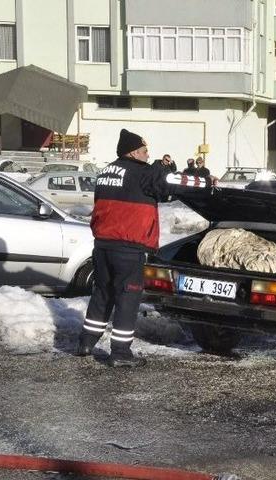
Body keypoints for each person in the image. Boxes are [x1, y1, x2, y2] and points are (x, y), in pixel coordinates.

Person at [76, 129, 215, 367]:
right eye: (144, 151)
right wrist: (205, 182)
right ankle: (120, 352)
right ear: (133, 152)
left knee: (102, 293)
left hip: (102, 245)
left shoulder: (106, 172)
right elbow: (174, 183)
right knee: (128, 297)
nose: (148, 155)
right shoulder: (142, 173)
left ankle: (86, 343)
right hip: (129, 247)